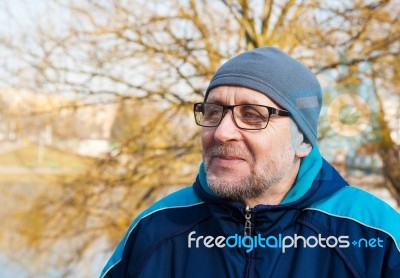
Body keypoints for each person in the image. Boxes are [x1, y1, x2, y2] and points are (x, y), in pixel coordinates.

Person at [100, 47, 400, 278]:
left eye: (252, 115)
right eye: (213, 112)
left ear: (303, 142)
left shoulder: (376, 235)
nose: (222, 132)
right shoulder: (156, 228)